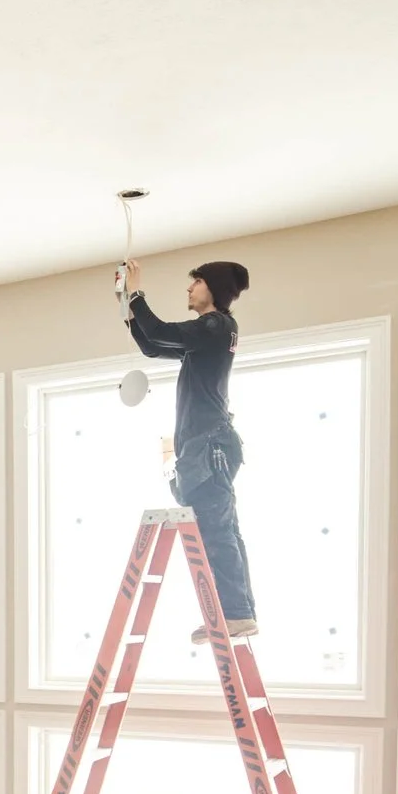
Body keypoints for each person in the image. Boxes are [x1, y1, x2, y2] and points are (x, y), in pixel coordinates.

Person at [120, 257, 259, 640]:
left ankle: (236, 614)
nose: (189, 287)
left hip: (210, 447)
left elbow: (159, 329)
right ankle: (239, 612)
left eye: (196, 281)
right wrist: (127, 307)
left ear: (213, 288)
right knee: (223, 530)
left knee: (216, 532)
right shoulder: (208, 338)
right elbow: (152, 345)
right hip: (210, 446)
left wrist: (136, 293)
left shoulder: (216, 326)